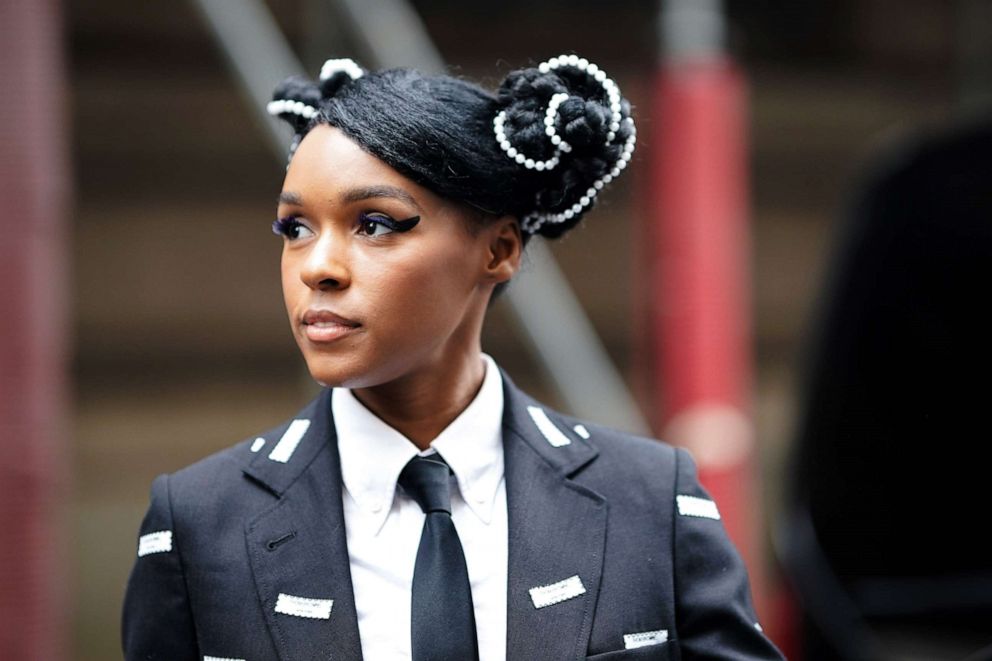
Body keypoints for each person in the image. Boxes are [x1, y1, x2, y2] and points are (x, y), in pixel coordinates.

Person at [122, 54, 784, 661]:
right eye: (296, 228)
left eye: (374, 223)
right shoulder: (202, 521)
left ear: (497, 250)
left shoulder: (647, 499)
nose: (318, 266)